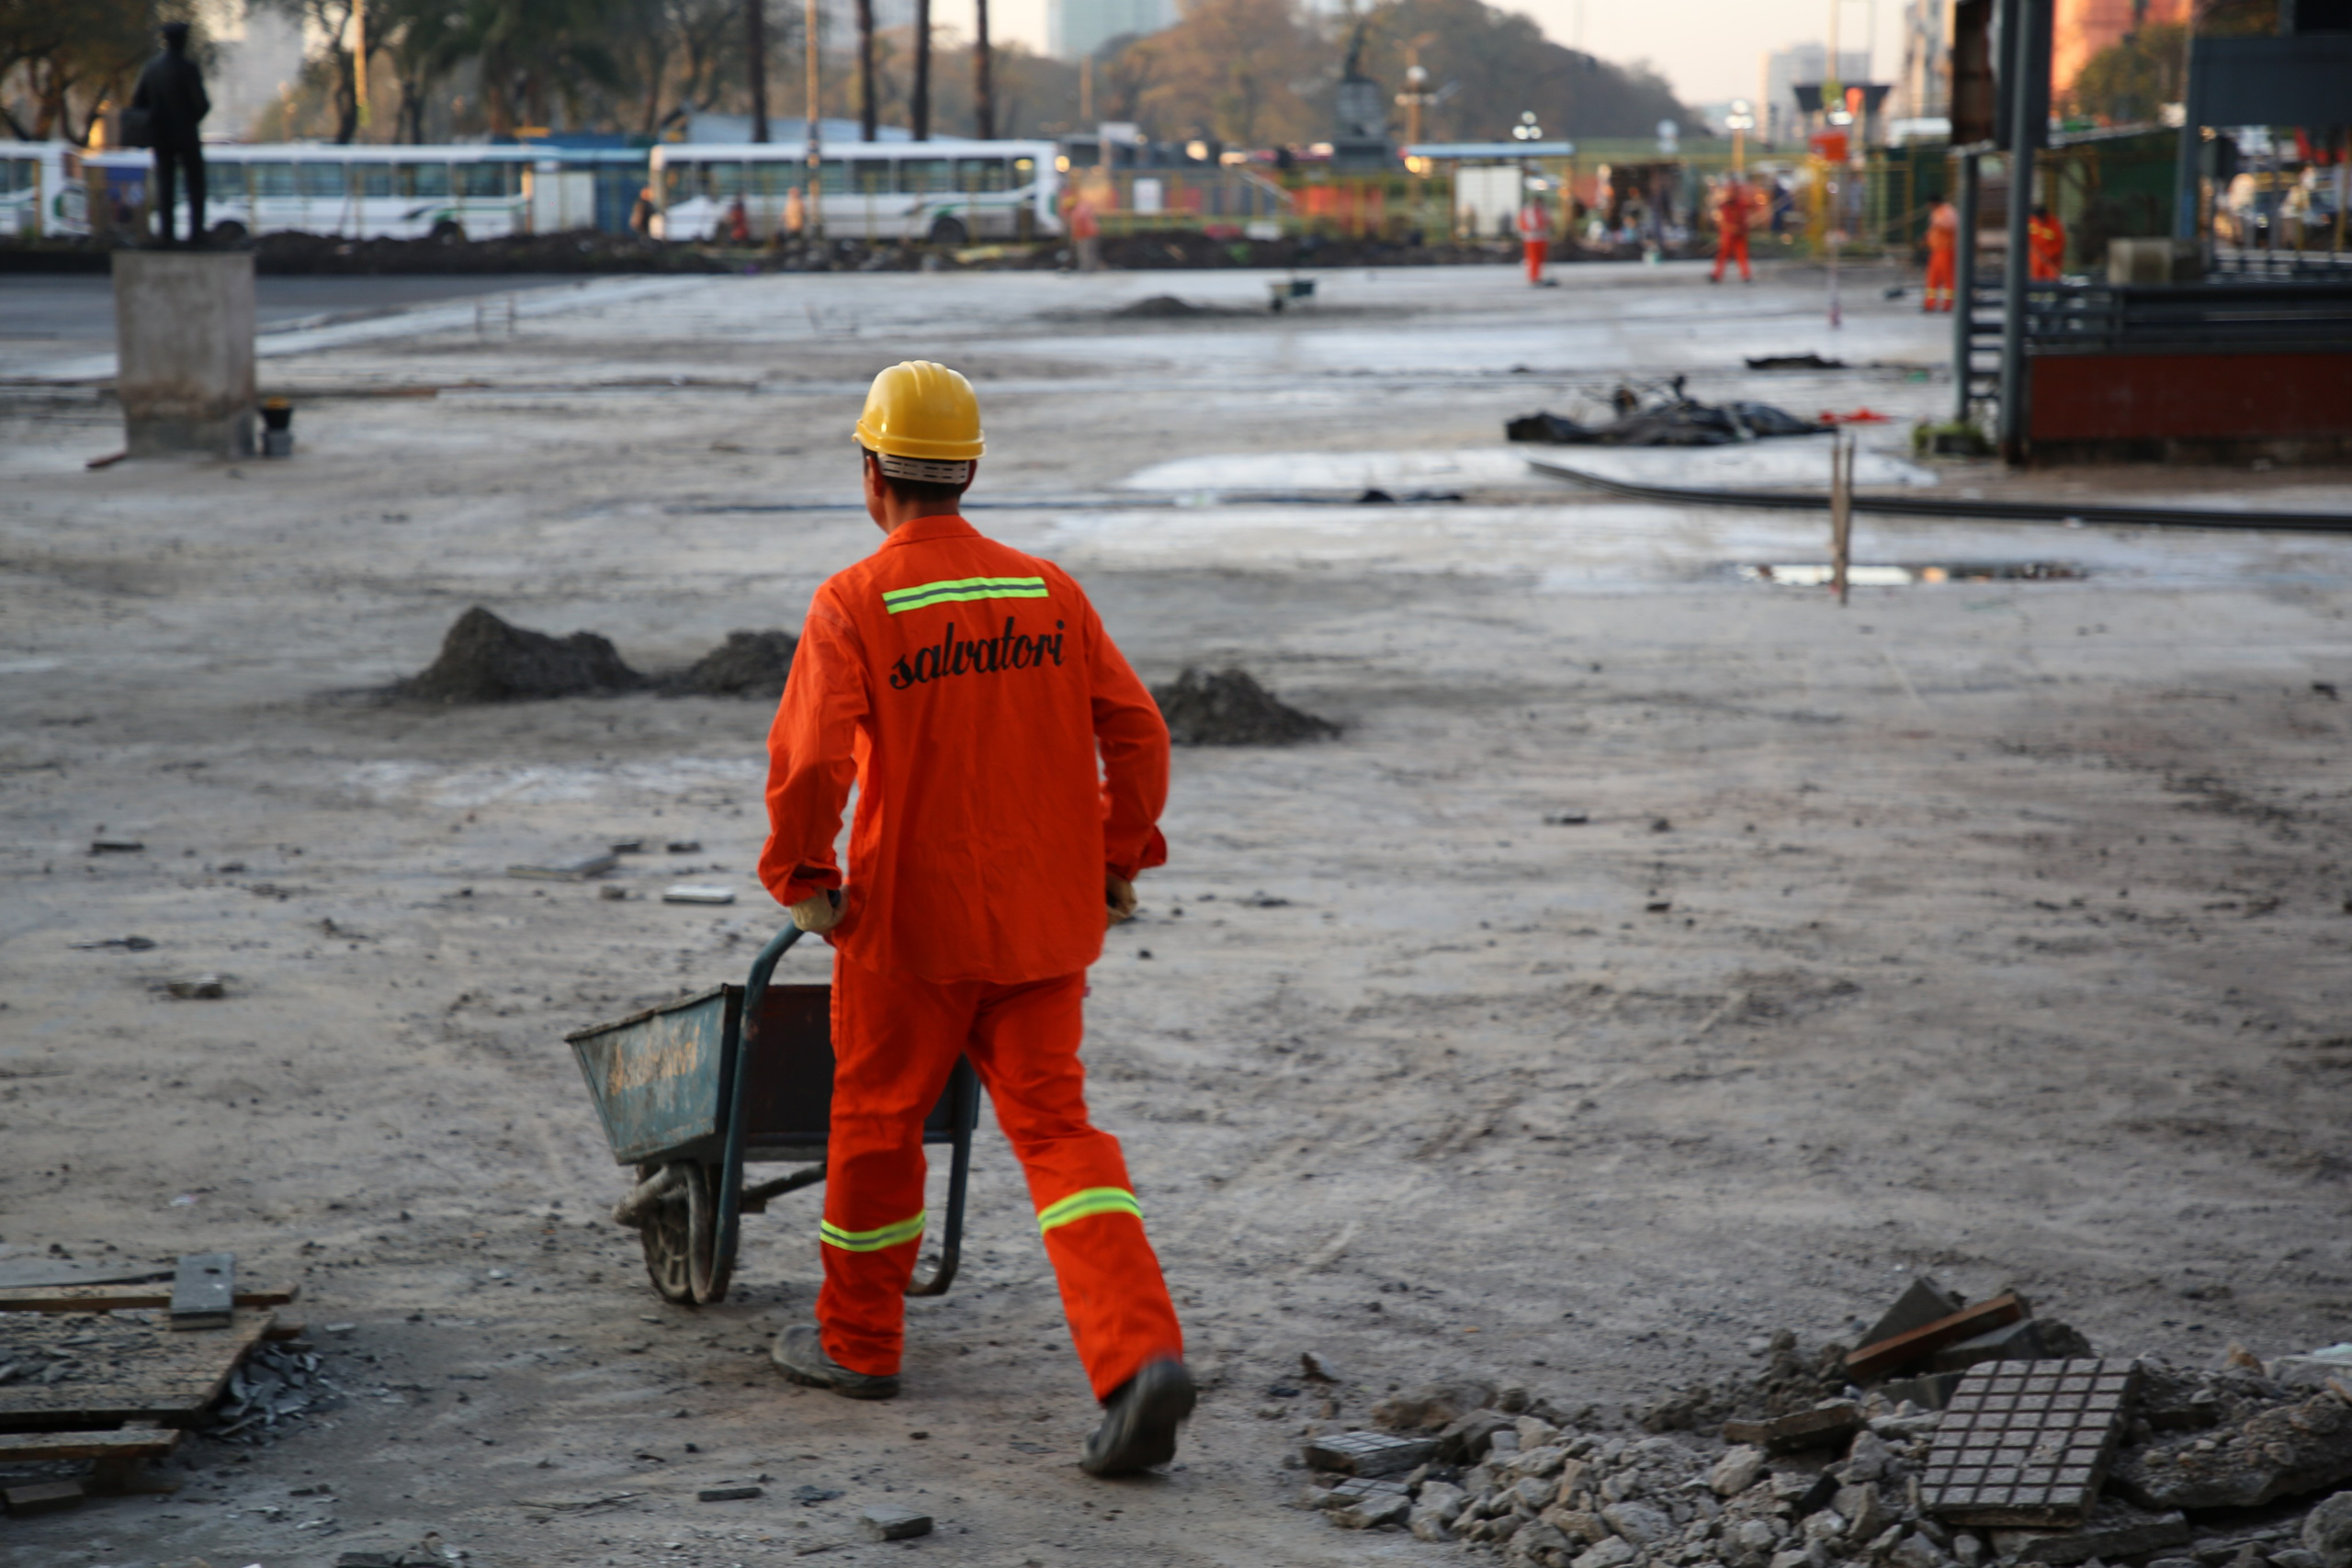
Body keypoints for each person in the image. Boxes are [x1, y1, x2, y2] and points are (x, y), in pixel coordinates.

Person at [759, 361, 1193, 1478]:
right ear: (967, 473)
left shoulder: (854, 601)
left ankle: (859, 1345)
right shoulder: (1049, 591)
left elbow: (810, 760)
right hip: (1044, 925)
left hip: (910, 930)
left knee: (879, 1121)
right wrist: (1115, 857)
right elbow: (1138, 733)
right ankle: (1137, 1358)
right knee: (1059, 1136)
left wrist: (803, 874)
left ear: (872, 474)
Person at [131, 21, 209, 246]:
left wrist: (156, 118)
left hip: (161, 136)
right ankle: (196, 235)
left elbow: (137, 102)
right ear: (183, 41)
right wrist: (189, 121)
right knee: (195, 183)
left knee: (165, 184)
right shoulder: (188, 68)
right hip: (186, 135)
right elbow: (202, 104)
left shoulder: (151, 68)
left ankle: (167, 235)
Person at [1710, 177, 1752, 283]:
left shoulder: (1741, 204)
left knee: (1742, 255)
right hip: (1728, 233)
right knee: (1723, 254)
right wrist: (1731, 227)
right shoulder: (1724, 206)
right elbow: (1721, 221)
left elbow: (1744, 218)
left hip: (1739, 233)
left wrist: (1741, 227)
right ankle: (1716, 275)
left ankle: (1746, 275)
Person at [1923, 197, 1958, 311]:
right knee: (1932, 278)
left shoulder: (1947, 211)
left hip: (1946, 250)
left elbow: (1951, 226)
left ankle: (1948, 303)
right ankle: (1930, 303)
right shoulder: (1936, 212)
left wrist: (1938, 223)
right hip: (1936, 250)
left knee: (1947, 277)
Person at [1517, 189, 1550, 285]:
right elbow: (1524, 223)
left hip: (1542, 237)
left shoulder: (1544, 210)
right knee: (1533, 258)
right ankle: (1533, 277)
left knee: (1540, 259)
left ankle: (1537, 276)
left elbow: (1548, 222)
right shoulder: (1528, 211)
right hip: (1531, 238)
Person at [2028, 204, 2066, 281]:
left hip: (2051, 262)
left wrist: (2049, 255)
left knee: (2051, 281)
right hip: (2036, 260)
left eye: (2041, 218)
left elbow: (2060, 243)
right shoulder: (2032, 222)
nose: (2040, 220)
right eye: (2038, 218)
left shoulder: (2054, 224)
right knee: (2036, 280)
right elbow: (2028, 238)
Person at [1069, 188, 1101, 271]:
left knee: (1083, 252)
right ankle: (1092, 267)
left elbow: (1078, 225)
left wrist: (1074, 237)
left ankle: (1085, 268)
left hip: (1083, 234)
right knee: (1091, 251)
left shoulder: (1076, 212)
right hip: (1092, 232)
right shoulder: (1083, 208)